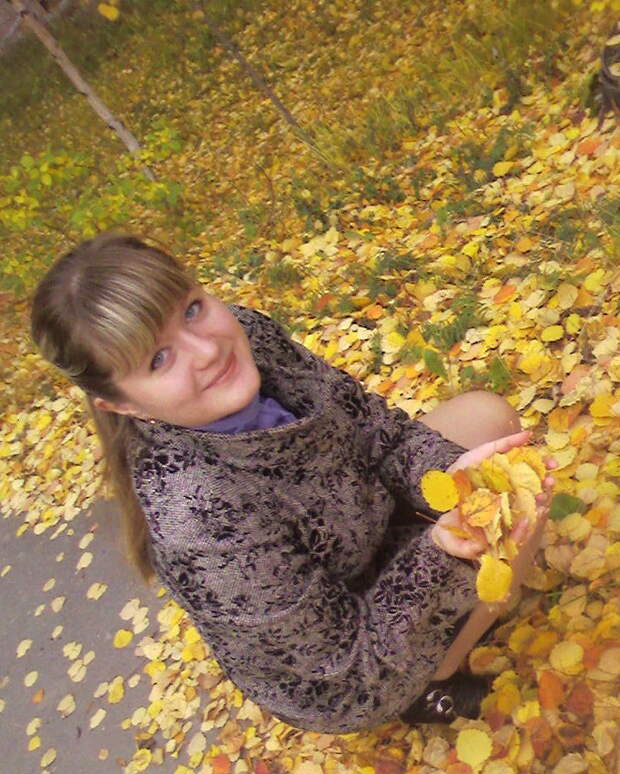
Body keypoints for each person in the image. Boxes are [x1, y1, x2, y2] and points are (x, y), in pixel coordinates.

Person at [30, 232, 551, 733]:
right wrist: (441, 551)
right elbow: (347, 660)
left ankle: (467, 605)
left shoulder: (247, 338)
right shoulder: (198, 518)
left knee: (489, 433)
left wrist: (450, 477)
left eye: (191, 310)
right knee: (501, 537)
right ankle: (432, 683)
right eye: (159, 359)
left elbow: (374, 429)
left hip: (360, 533)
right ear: (122, 404)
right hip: (347, 672)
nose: (206, 351)